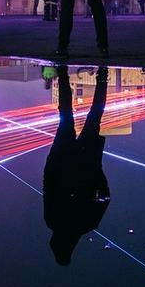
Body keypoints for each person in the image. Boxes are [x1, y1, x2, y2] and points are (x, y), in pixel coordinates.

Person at [43, 66, 110, 265]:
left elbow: (105, 198)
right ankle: (63, 73)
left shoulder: (87, 224)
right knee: (66, 115)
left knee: (94, 115)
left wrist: (97, 172)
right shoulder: (53, 221)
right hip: (64, 160)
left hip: (85, 163)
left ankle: (103, 76)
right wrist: (52, 160)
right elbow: (48, 186)